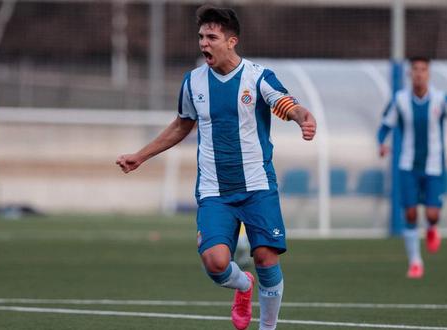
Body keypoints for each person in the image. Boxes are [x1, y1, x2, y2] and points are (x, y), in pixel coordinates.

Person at [116, 5, 316, 330]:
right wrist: (141, 155)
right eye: (201, 37)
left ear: (232, 41)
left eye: (211, 37)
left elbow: (284, 104)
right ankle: (242, 285)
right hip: (214, 191)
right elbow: (182, 126)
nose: (204, 44)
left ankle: (268, 327)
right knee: (215, 262)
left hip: (257, 186)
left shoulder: (257, 77)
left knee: (266, 257)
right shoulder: (193, 82)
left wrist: (302, 117)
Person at [377, 56, 447, 279]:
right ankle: (415, 261)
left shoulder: (441, 99)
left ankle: (433, 227)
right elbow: (385, 124)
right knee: (411, 213)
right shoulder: (400, 99)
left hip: (434, 165)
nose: (419, 73)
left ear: (429, 73)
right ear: (409, 73)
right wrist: (381, 143)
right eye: (415, 69)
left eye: (423, 69)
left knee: (432, 214)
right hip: (407, 165)